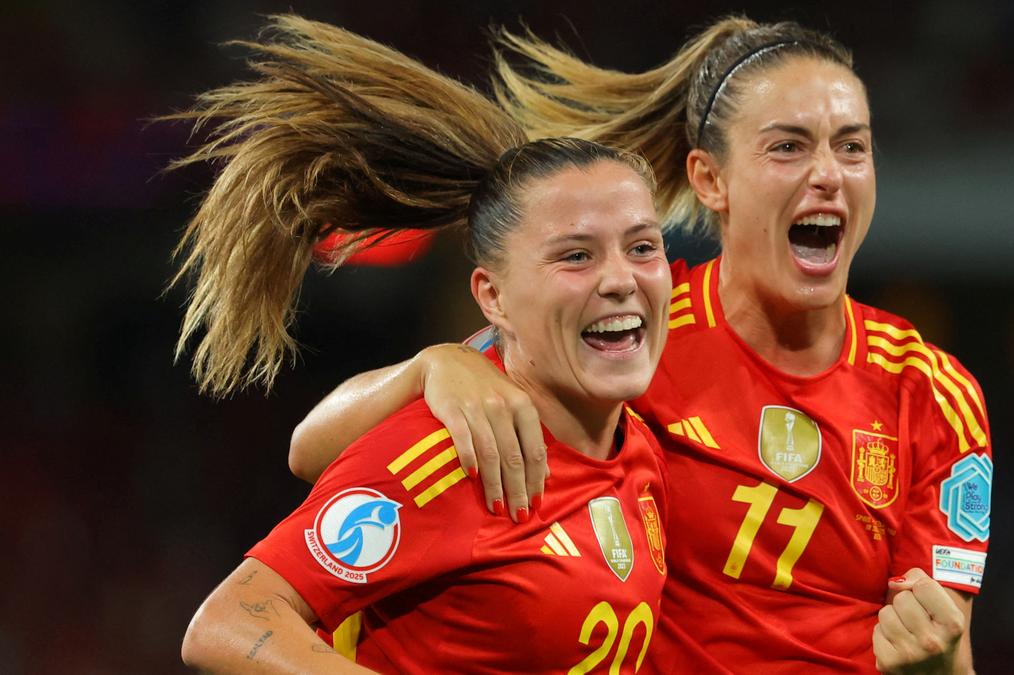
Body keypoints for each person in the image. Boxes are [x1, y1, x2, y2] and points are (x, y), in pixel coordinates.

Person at [289, 16, 992, 674]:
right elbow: (312, 451)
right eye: (788, 146)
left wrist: (936, 667)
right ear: (710, 179)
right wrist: (431, 367)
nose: (829, 173)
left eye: (852, 146)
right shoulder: (631, 332)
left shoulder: (933, 394)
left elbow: (944, 648)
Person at [169, 16, 672, 673]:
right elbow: (230, 621)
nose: (621, 279)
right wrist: (424, 368)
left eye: (643, 247)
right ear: (493, 296)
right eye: (576, 255)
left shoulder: (638, 448)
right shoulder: (454, 456)